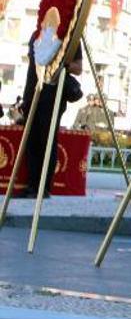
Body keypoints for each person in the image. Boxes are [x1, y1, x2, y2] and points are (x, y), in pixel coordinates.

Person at [20, 35, 83, 198]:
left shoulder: (69, 35)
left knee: (46, 141)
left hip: (52, 97)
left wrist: (63, 65)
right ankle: (31, 185)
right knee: (31, 142)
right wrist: (25, 98)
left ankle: (43, 187)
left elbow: (78, 68)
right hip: (32, 93)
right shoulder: (37, 34)